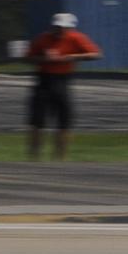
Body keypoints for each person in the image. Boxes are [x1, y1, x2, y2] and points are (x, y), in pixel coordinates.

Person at [25, 11, 101, 161]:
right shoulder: (43, 38)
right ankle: (34, 156)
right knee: (37, 121)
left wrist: (72, 57)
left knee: (64, 120)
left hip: (63, 80)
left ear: (70, 28)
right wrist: (44, 59)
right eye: (57, 27)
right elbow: (28, 57)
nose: (59, 30)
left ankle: (61, 157)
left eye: (63, 27)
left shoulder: (76, 38)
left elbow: (95, 54)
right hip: (44, 79)